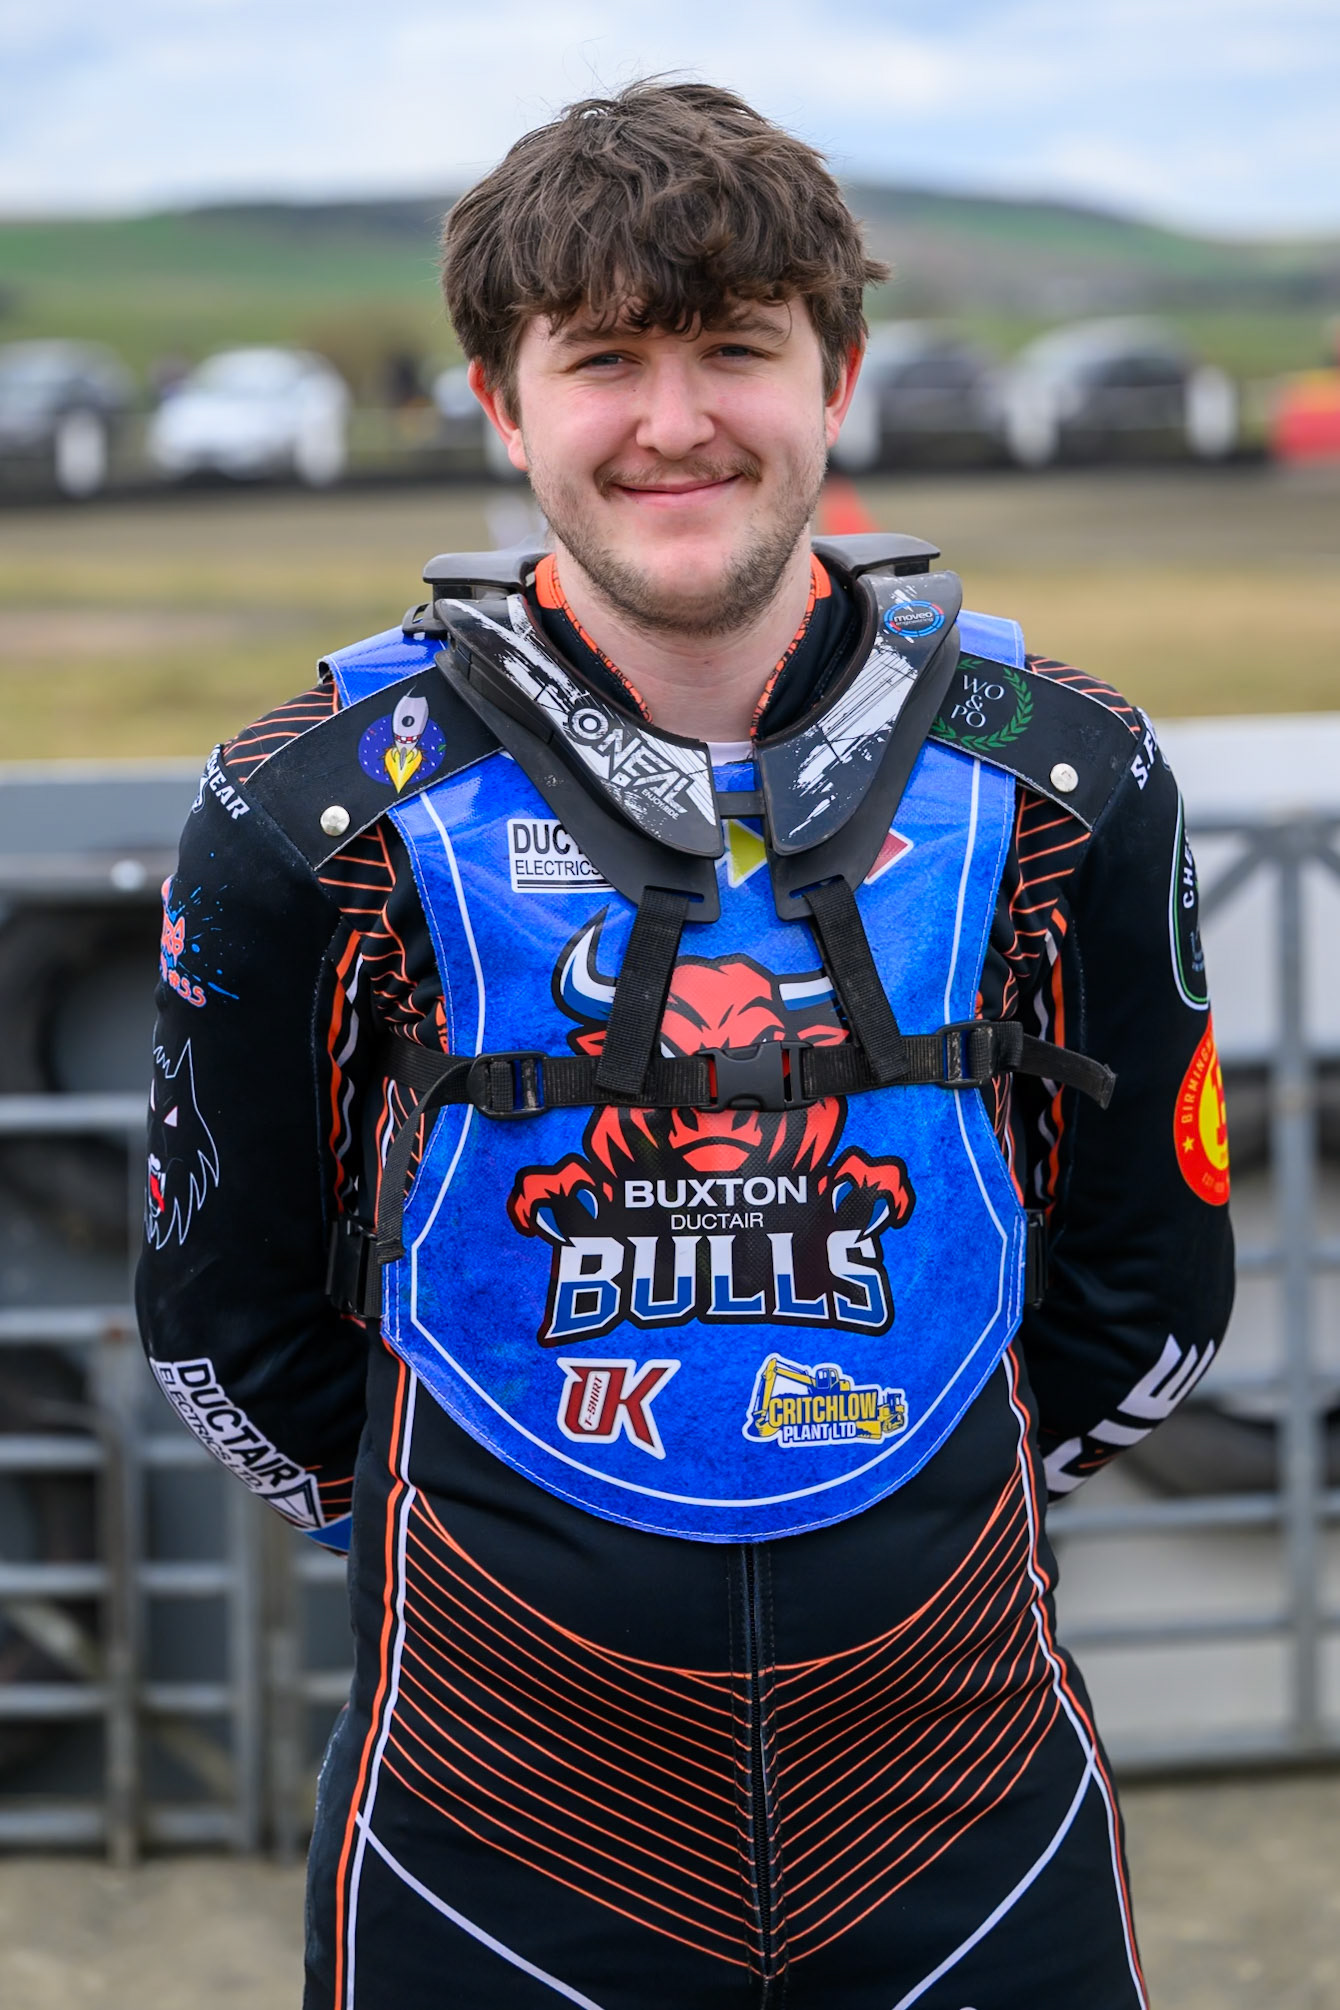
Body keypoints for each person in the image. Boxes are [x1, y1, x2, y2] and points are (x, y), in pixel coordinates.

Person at [138, 81, 1235, 2010]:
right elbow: (220, 1321)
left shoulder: (1064, 776)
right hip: (487, 1829)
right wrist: (490, 1536)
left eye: (735, 348)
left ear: (839, 377)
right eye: (603, 360)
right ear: (502, 403)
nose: (673, 421)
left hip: (966, 1811)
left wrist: (914, 1512)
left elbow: (1152, 1290)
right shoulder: (314, 807)